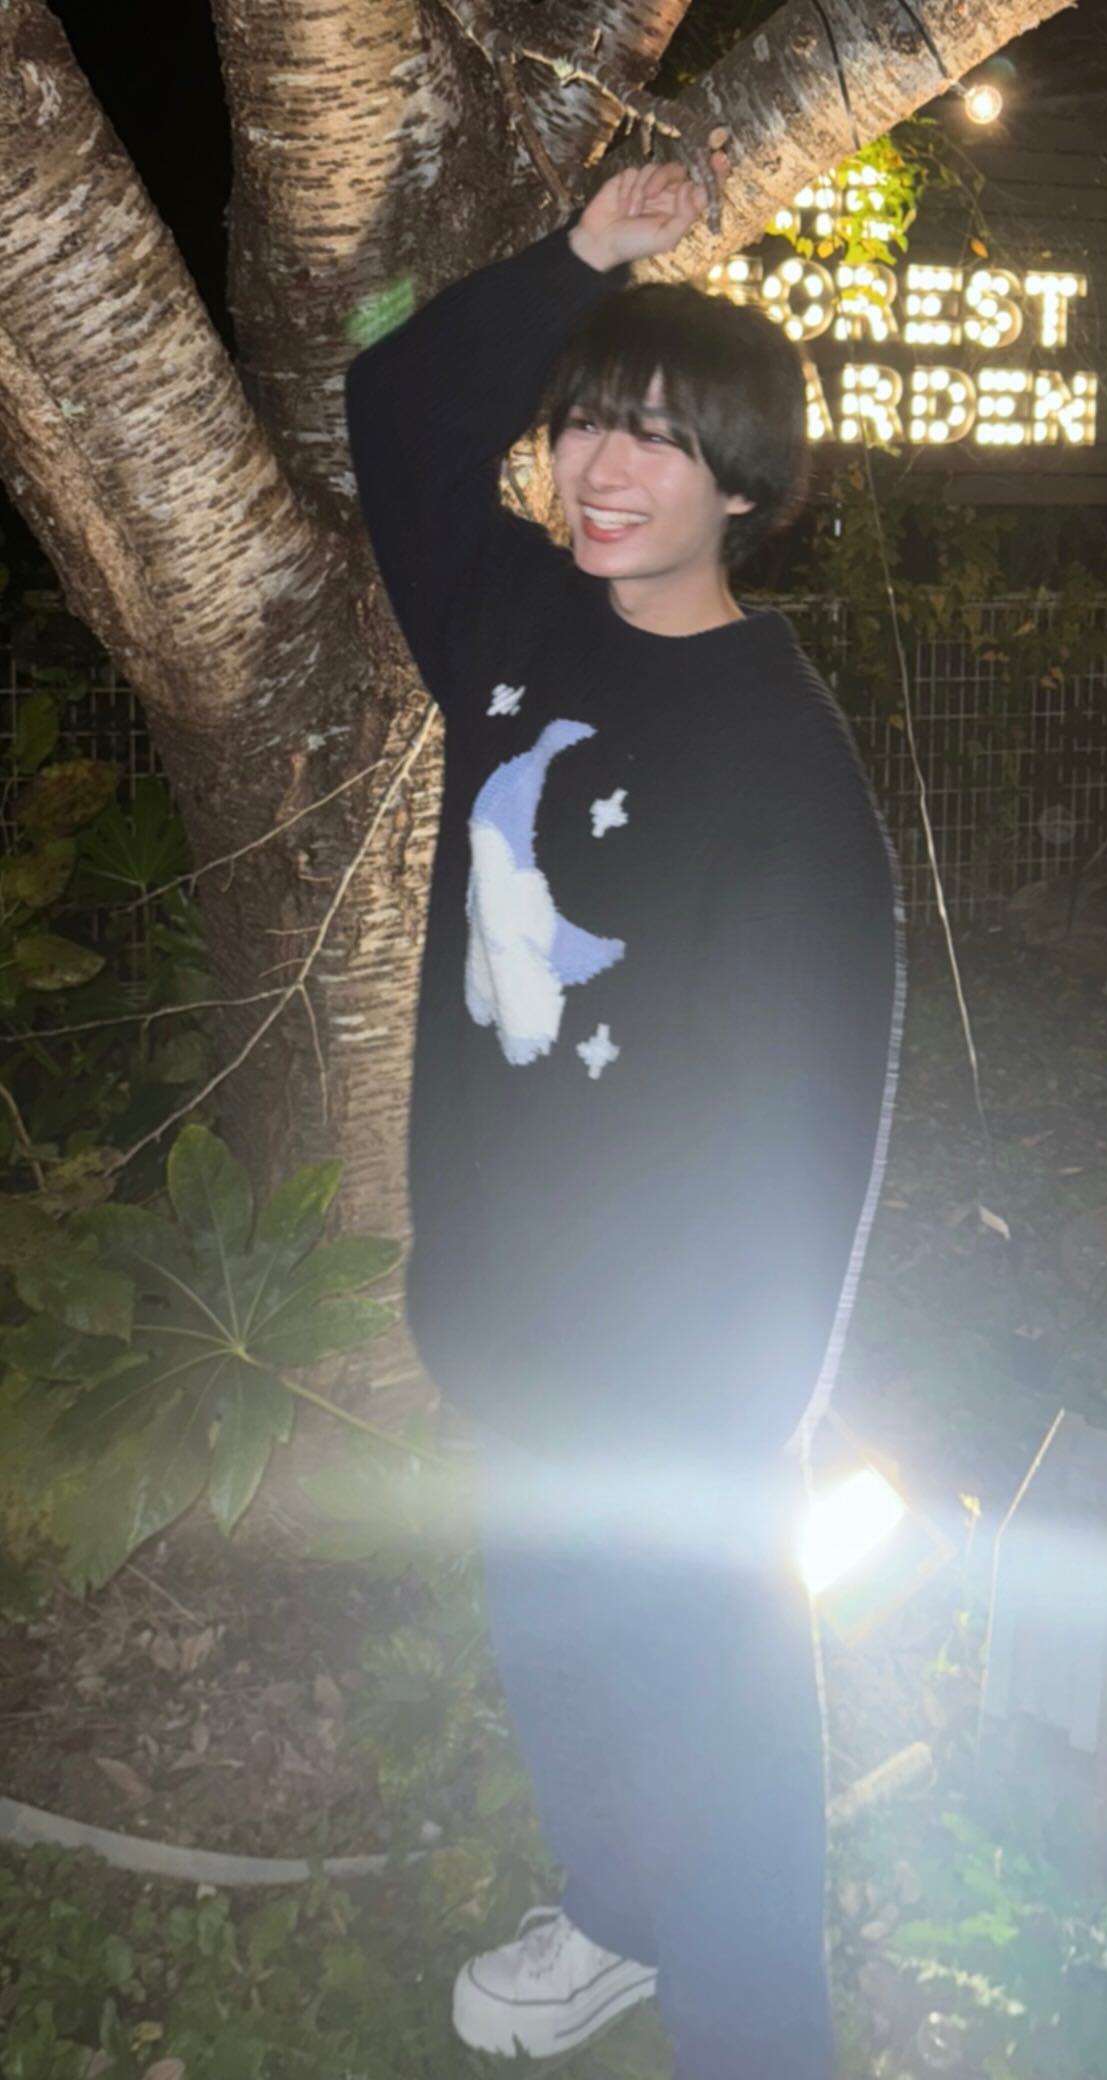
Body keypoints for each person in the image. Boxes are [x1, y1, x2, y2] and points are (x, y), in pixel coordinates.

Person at [345, 152, 905, 2080]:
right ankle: (612, 1915)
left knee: (721, 1720)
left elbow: (820, 1108)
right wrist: (578, 258)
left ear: (743, 488)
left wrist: (756, 1400)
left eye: (659, 439)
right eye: (589, 419)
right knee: (563, 1656)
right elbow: (398, 412)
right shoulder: (512, 617)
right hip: (508, 1307)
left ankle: (755, 2038)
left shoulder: (780, 754)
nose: (600, 466)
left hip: (680, 1367)